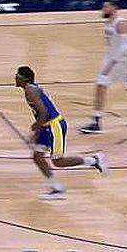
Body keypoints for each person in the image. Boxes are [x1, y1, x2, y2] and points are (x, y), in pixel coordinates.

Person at [15, 66, 107, 200]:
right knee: (37, 157)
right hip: (47, 126)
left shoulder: (30, 90)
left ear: (25, 79)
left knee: (58, 161)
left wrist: (35, 128)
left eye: (18, 75)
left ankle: (94, 160)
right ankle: (56, 188)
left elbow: (44, 113)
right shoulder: (30, 89)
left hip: (54, 126)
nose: (15, 77)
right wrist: (38, 129)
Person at [80, 1, 127, 133]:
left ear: (114, 8)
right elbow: (112, 45)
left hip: (125, 62)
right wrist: (108, 61)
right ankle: (96, 121)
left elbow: (124, 47)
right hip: (111, 61)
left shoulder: (120, 23)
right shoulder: (108, 22)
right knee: (100, 86)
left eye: (106, 6)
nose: (103, 9)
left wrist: (112, 62)